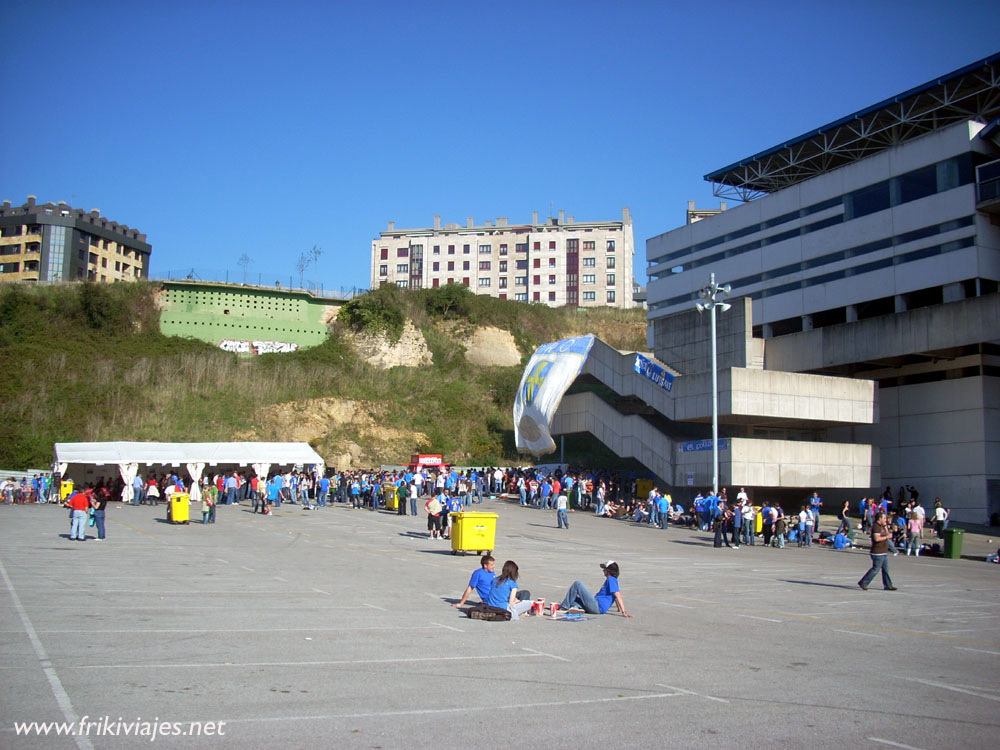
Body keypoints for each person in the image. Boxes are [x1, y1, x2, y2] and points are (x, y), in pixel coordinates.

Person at [558, 561, 632, 617]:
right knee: (573, 598)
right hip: (596, 605)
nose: (603, 571)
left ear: (609, 571)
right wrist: (619, 609)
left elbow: (618, 596)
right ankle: (575, 608)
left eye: (604, 569)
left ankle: (564, 607)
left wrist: (624, 612)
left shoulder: (611, 580)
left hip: (597, 606)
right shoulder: (612, 580)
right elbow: (615, 596)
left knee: (577, 584)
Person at [858, 511, 898, 591]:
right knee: (875, 569)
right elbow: (877, 539)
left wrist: (885, 526)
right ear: (879, 518)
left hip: (883, 551)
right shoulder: (876, 526)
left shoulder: (882, 526)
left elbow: (887, 534)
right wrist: (886, 537)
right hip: (877, 552)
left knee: (886, 569)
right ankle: (863, 582)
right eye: (884, 518)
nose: (885, 519)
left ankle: (888, 585)